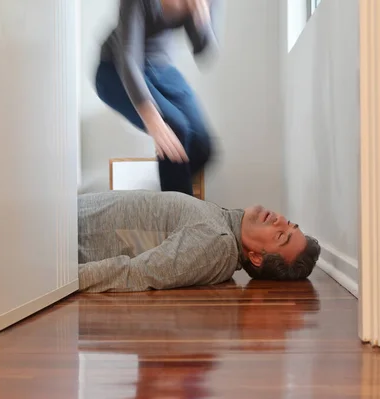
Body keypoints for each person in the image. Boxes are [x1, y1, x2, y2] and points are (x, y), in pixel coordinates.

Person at [78, 190, 321, 293]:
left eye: (280, 236)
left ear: (257, 257)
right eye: (288, 222)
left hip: (60, 237)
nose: (279, 220)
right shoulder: (222, 224)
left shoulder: (217, 244)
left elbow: (134, 274)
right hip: (65, 216)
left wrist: (55, 279)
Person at [95, 0, 221, 196]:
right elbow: (128, 59)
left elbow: (202, 49)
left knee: (202, 147)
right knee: (175, 127)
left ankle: (162, 195)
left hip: (160, 67)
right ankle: (176, 216)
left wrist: (200, 17)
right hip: (114, 69)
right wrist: (152, 117)